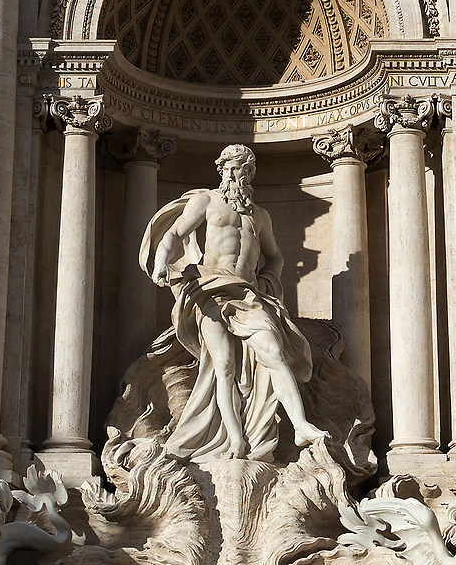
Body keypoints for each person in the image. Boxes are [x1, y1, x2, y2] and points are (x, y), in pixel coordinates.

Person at [141, 144, 330, 461]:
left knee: (272, 351)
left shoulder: (260, 216)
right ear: (221, 170)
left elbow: (276, 256)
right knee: (223, 365)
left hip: (248, 294)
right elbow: (175, 232)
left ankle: (300, 425)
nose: (232, 173)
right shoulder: (207, 202)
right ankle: (235, 440)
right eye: (227, 167)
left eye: (239, 167)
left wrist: (269, 280)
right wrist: (161, 260)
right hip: (211, 287)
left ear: (250, 173)